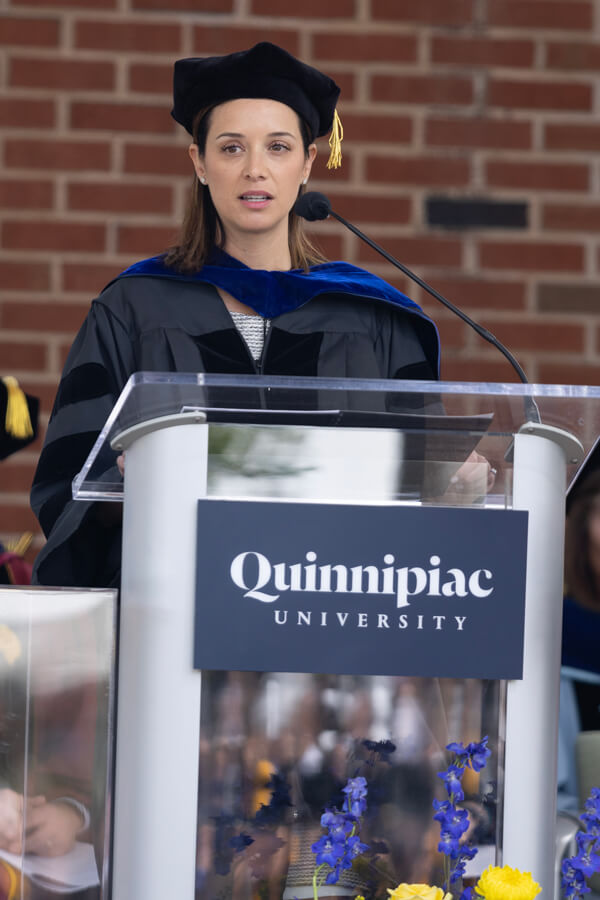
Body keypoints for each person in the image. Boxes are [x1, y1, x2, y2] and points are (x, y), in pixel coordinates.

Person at [31, 41, 443, 590]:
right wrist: (126, 485)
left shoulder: (374, 317)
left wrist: (450, 484)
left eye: (277, 147)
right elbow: (69, 489)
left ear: (307, 164)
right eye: (231, 149)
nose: (255, 170)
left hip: (334, 613)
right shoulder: (133, 308)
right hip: (172, 612)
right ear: (199, 163)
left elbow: (421, 493)